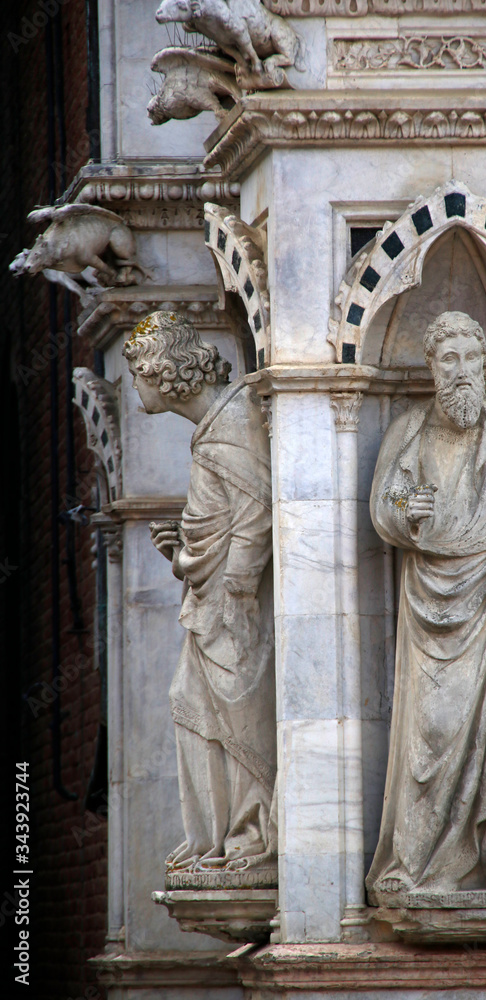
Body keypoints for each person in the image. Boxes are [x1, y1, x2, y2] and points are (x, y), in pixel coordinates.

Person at [366, 311, 486, 902]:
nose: (462, 373)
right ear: (430, 366)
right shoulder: (409, 433)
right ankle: (422, 861)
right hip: (431, 610)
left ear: (484, 365)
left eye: (471, 360)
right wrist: (408, 513)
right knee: (430, 733)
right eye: (449, 360)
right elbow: (386, 503)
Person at [123, 311, 276, 875]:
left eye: (136, 372)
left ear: (163, 371)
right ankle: (214, 836)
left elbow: (258, 510)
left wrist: (237, 584)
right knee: (189, 703)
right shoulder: (211, 427)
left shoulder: (233, 420)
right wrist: (182, 549)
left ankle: (251, 836)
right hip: (214, 603)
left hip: (237, 607)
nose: (134, 385)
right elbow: (223, 519)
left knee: (241, 713)